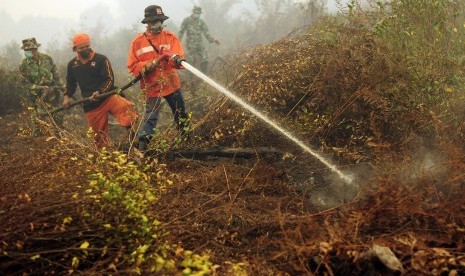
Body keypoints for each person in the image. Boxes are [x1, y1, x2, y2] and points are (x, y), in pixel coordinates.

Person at [128, 5, 189, 152]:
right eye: (154, 21)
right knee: (151, 116)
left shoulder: (170, 37)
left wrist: (176, 61)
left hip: (171, 84)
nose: (158, 24)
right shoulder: (138, 42)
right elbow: (133, 66)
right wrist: (147, 65)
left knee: (180, 112)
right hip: (151, 86)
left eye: (160, 20)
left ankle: (186, 140)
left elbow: (180, 59)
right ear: (147, 23)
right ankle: (143, 147)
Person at [63, 33, 138, 149]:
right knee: (98, 138)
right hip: (90, 104)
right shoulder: (72, 65)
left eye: (87, 46)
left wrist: (100, 92)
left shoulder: (101, 59)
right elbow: (70, 83)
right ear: (75, 49)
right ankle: (104, 158)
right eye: (81, 47)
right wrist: (67, 97)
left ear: (90, 45)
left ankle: (135, 140)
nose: (85, 49)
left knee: (126, 109)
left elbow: (109, 79)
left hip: (108, 96)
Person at [19, 37, 64, 136]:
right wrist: (38, 88)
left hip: (51, 92)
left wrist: (62, 87)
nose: (27, 52)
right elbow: (24, 83)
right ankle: (38, 140)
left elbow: (56, 74)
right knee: (38, 119)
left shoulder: (47, 59)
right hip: (35, 95)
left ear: (35, 49)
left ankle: (59, 134)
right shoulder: (24, 65)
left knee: (58, 114)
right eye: (25, 50)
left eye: (29, 50)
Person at [178, 5, 220, 73]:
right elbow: (181, 32)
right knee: (191, 61)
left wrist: (213, 39)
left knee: (205, 58)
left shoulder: (201, 22)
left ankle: (203, 75)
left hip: (199, 44)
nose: (197, 15)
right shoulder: (186, 21)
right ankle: (190, 79)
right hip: (190, 45)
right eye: (196, 13)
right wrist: (177, 42)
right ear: (193, 12)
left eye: (199, 14)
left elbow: (206, 32)